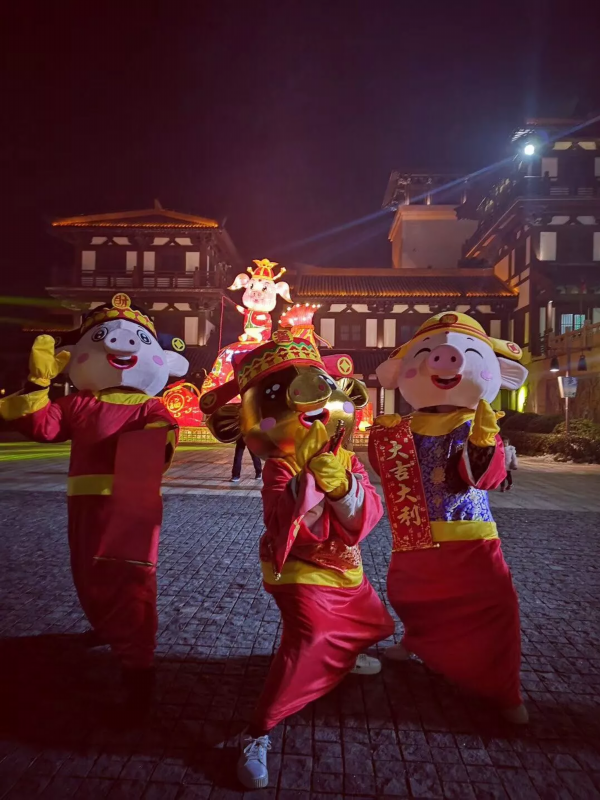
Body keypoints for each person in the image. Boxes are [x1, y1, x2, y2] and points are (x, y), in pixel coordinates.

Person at [201, 331, 394, 789]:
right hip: (299, 569)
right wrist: (310, 484)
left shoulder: (346, 458)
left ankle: (342, 658)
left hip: (345, 565)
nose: (313, 405)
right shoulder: (279, 466)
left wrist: (343, 485)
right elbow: (281, 521)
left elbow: (368, 518)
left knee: (370, 620)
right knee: (310, 638)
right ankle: (259, 730)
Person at [0, 294, 188, 720]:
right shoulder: (79, 404)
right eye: (103, 338)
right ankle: (107, 624)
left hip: (132, 503)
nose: (121, 344)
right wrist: (38, 385)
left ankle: (138, 670)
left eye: (139, 339)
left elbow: (161, 438)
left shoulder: (151, 407)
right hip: (84, 503)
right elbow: (41, 426)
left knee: (132, 579)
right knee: (87, 573)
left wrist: (153, 440)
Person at [371, 312, 530, 725]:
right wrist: (382, 440)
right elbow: (387, 473)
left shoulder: (476, 423)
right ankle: (416, 640)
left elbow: (484, 478)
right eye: (427, 354)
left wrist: (483, 442)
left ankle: (501, 687)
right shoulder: (405, 425)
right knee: (413, 596)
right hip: (415, 531)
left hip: (469, 533)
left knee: (493, 605)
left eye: (468, 354)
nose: (442, 361)